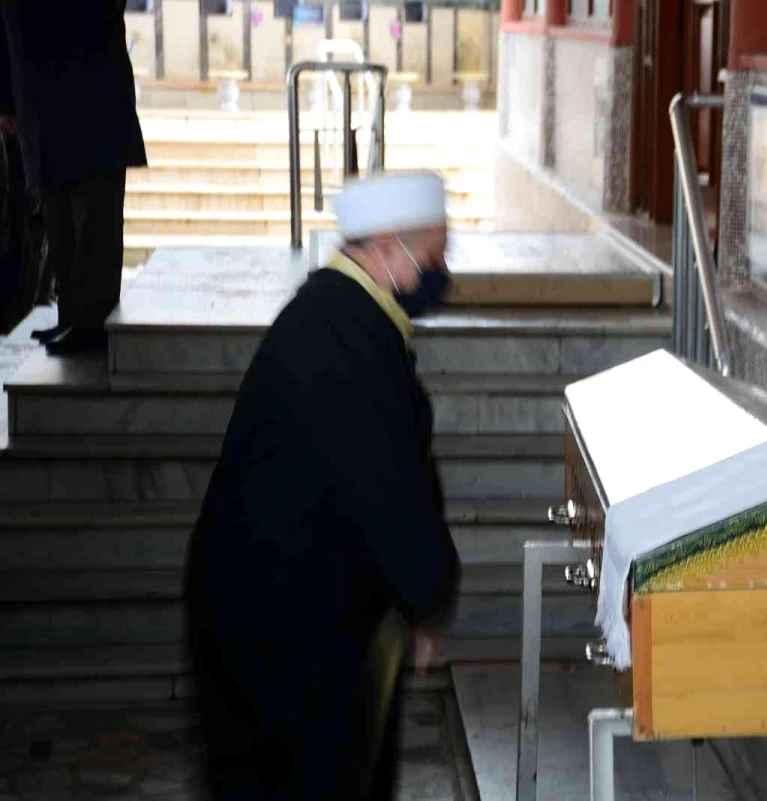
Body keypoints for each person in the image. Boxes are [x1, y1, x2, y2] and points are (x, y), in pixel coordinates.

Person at [185, 171, 462, 800]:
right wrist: (429, 595)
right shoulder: (344, 339)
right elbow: (389, 493)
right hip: (281, 635)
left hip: (282, 617)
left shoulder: (342, 316)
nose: (444, 274)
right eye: (435, 257)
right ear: (387, 251)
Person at [0, 2, 146, 354]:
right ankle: (71, 316)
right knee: (58, 215)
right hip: (41, 93)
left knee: (94, 216)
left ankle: (92, 323)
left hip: (90, 87)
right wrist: (7, 96)